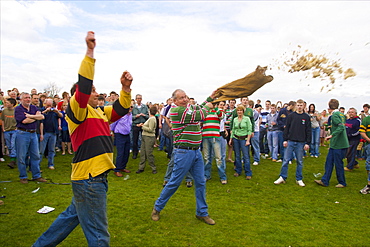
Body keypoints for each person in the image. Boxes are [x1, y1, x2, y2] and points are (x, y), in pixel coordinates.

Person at [33, 31, 133, 247]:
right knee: (99, 234)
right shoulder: (77, 111)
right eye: (94, 91)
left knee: (69, 218)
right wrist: (90, 52)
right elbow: (84, 87)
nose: (98, 94)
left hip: (93, 178)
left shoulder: (100, 112)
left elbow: (122, 108)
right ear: (83, 95)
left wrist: (125, 88)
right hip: (90, 179)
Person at [151, 89, 216, 225]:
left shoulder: (189, 108)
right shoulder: (175, 111)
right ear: (174, 101)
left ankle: (202, 212)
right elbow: (199, 115)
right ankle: (157, 208)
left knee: (201, 182)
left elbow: (198, 107)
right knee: (174, 182)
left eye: (185, 97)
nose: (185, 99)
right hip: (183, 152)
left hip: (196, 152)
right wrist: (208, 107)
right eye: (181, 98)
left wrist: (210, 97)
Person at [274, 99, 311, 187]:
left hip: (301, 142)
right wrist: (285, 140)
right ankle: (282, 177)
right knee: (286, 160)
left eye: (301, 105)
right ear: (295, 106)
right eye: (298, 105)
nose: (299, 107)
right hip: (290, 141)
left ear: (304, 106)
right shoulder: (291, 116)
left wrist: (307, 143)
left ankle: (299, 178)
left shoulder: (306, 117)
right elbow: (287, 129)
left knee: (300, 161)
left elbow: (308, 130)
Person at [315, 99, 349, 188]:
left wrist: (331, 135)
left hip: (338, 143)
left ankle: (342, 182)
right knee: (329, 161)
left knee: (338, 163)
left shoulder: (335, 115)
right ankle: (325, 180)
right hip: (335, 144)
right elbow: (341, 125)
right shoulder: (342, 114)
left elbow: (341, 127)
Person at [14, 92, 46, 184]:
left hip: (33, 133)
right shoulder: (18, 109)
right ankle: (23, 176)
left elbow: (42, 116)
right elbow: (24, 121)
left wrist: (31, 116)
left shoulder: (34, 108)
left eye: (28, 97)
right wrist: (36, 117)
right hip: (22, 133)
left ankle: (36, 175)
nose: (27, 99)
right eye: (25, 98)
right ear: (21, 99)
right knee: (22, 156)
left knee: (35, 155)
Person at [202, 101, 226, 184]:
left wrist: (215, 107)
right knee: (206, 158)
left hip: (215, 137)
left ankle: (223, 177)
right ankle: (206, 175)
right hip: (205, 136)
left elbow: (221, 116)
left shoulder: (219, 111)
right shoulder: (204, 112)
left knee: (218, 158)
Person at [229, 105, 253, 179]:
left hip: (244, 139)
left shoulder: (247, 119)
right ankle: (238, 170)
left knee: (246, 156)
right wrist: (231, 139)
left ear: (243, 111)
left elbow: (249, 129)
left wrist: (248, 140)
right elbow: (233, 129)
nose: (239, 112)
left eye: (241, 110)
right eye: (238, 110)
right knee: (237, 155)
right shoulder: (235, 119)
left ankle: (248, 172)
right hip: (236, 138)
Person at [39, 98, 62, 170]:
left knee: (51, 150)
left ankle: (50, 164)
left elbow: (61, 116)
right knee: (41, 150)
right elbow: (40, 117)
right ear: (45, 104)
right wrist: (46, 111)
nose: (49, 106)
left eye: (50, 105)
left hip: (53, 132)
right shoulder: (41, 110)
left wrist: (57, 111)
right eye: (48, 105)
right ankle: (37, 165)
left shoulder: (54, 111)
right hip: (45, 132)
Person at [110, 106, 133, 177]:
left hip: (127, 134)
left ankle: (122, 167)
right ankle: (117, 170)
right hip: (120, 134)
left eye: (131, 107)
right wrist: (112, 131)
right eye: (129, 107)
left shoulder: (130, 115)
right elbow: (113, 123)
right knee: (120, 152)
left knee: (126, 152)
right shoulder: (120, 115)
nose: (130, 108)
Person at [136, 106, 158, 174]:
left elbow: (150, 129)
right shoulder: (150, 118)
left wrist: (142, 126)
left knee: (149, 153)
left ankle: (153, 167)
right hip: (145, 136)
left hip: (149, 137)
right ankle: (141, 167)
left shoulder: (152, 119)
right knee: (143, 152)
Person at [1, 98, 17, 168]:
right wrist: (3, 128)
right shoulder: (4, 111)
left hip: (14, 130)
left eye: (7, 103)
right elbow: (3, 120)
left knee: (13, 144)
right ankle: (13, 158)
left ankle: (13, 160)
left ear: (12, 104)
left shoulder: (16, 111)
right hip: (6, 130)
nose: (6, 104)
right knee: (8, 145)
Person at [132, 94, 149, 159]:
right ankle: (135, 153)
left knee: (144, 140)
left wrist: (144, 115)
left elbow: (148, 116)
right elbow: (131, 117)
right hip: (136, 125)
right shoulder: (133, 107)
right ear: (136, 99)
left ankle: (144, 153)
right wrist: (136, 116)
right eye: (138, 98)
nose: (139, 99)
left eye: (140, 98)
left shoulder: (145, 107)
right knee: (135, 140)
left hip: (143, 125)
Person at [359, 114, 370, 194]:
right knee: (368, 164)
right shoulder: (366, 120)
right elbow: (362, 131)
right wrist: (368, 139)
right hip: (369, 144)